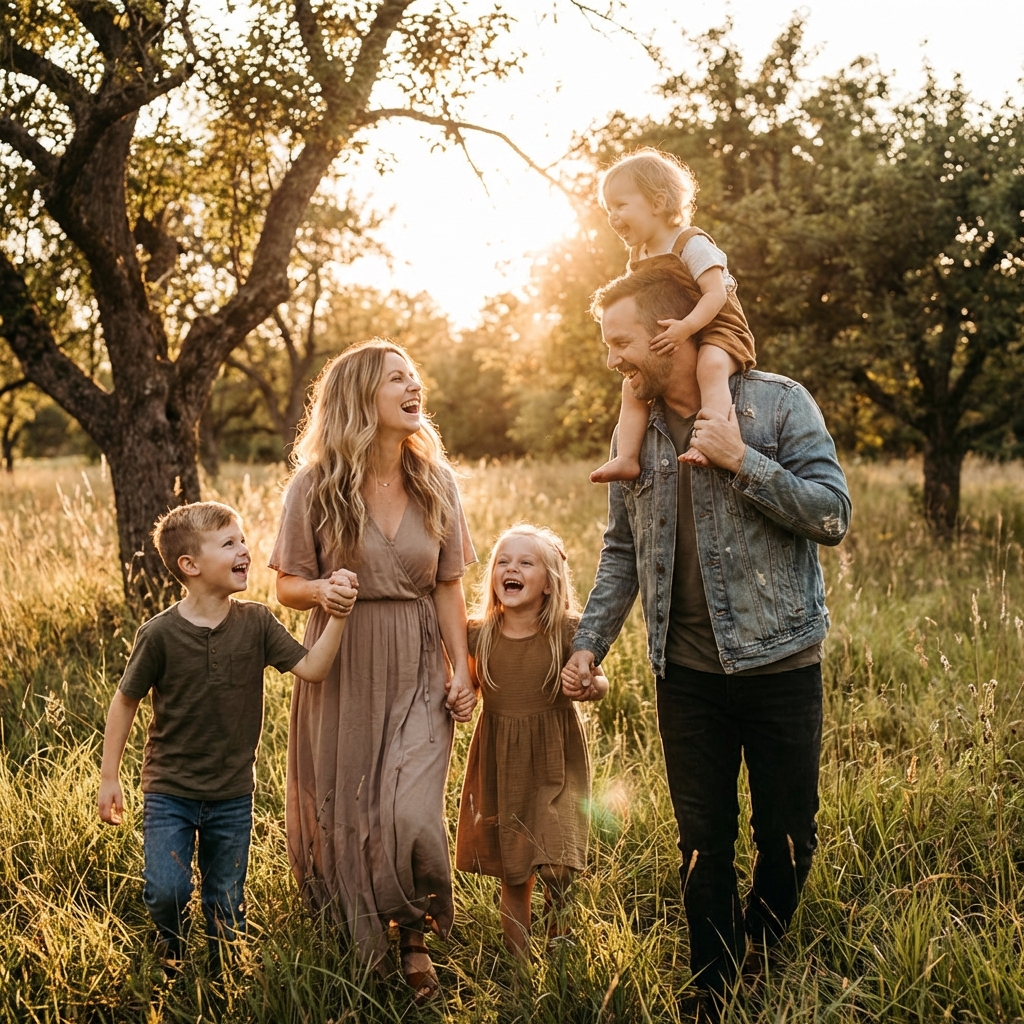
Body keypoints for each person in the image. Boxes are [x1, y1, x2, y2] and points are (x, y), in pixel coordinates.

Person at [564, 260, 851, 1015]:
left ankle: (763, 935)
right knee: (702, 839)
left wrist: (742, 462)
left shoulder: (779, 405)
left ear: (671, 331)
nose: (613, 359)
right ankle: (712, 984)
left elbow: (832, 515)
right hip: (684, 672)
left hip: (780, 662)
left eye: (622, 341)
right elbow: (621, 550)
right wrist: (589, 641)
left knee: (787, 835)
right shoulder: (638, 429)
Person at [269, 339, 477, 1005]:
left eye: (414, 377)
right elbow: (286, 584)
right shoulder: (315, 484)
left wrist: (462, 668)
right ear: (362, 396)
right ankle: (367, 939)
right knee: (354, 807)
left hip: (417, 658)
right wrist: (323, 590)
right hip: (342, 658)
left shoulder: (436, 481)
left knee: (411, 811)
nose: (414, 387)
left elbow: (448, 585)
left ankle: (414, 933)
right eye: (397, 379)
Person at [97, 501, 357, 977]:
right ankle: (171, 949)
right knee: (166, 889)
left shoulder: (256, 623)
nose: (245, 550)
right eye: (229, 543)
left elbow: (314, 670)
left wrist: (336, 613)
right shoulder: (158, 635)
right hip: (169, 790)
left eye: (242, 540)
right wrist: (109, 777)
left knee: (225, 900)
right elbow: (125, 702)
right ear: (190, 566)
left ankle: (224, 980)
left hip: (233, 794)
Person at [455, 525, 607, 957]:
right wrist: (460, 697)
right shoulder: (479, 634)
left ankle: (560, 949)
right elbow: (469, 684)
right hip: (504, 765)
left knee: (559, 862)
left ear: (549, 582)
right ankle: (518, 967)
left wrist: (590, 687)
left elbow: (600, 682)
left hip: (557, 760)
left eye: (525, 562)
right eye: (503, 561)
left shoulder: (568, 632)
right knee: (515, 872)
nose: (511, 568)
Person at [591, 148, 756, 484]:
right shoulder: (639, 254)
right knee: (632, 387)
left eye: (621, 205)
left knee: (710, 367)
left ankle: (717, 439)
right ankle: (627, 457)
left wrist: (686, 328)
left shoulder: (691, 244)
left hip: (718, 324)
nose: (613, 217)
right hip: (677, 328)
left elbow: (716, 294)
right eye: (609, 210)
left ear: (658, 202)